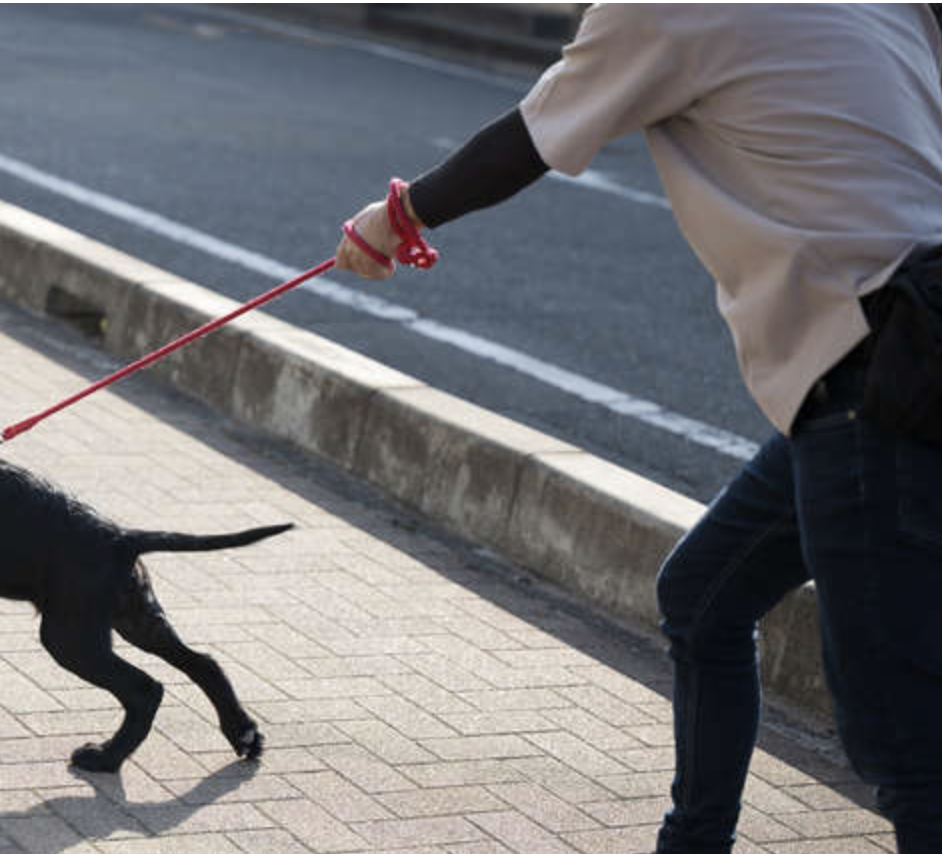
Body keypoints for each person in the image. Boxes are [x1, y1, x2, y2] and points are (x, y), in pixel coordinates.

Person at [336, 6, 942, 853]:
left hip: (873, 382)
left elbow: (535, 134)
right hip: (877, 361)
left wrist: (397, 219)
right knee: (703, 596)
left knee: (912, 757)